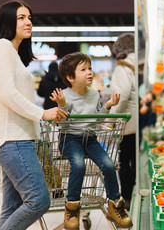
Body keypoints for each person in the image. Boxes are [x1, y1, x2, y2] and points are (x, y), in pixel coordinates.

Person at [0, 0, 68, 230]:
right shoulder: (2, 47)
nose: (28, 22)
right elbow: (8, 94)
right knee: (39, 200)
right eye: (21, 17)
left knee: (11, 208)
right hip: (13, 139)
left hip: (18, 138)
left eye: (29, 17)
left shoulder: (12, 53)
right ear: (7, 21)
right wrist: (42, 114)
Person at [50, 52, 133, 229]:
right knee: (79, 165)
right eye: (83, 69)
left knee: (109, 164)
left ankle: (115, 205)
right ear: (70, 77)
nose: (89, 72)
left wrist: (108, 106)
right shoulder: (64, 95)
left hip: (90, 139)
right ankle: (72, 208)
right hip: (70, 139)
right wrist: (62, 105)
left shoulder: (94, 94)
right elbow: (63, 125)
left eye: (90, 68)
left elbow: (96, 120)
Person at [109, 33, 137, 210]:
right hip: (138, 121)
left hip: (127, 123)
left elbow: (122, 95)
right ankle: (134, 192)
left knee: (124, 161)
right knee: (134, 160)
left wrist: (111, 118)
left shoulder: (122, 66)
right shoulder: (137, 63)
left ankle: (127, 197)